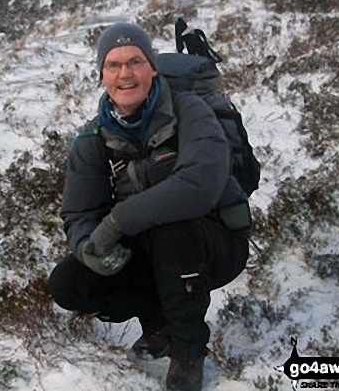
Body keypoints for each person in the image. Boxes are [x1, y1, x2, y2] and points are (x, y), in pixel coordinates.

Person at [46, 23, 250, 391]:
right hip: (152, 250)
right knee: (68, 283)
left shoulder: (191, 111)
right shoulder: (93, 139)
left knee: (173, 230)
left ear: (152, 67)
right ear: (102, 74)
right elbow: (78, 214)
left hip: (214, 243)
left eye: (135, 61)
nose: (125, 73)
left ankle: (188, 352)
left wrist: (118, 220)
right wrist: (88, 247)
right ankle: (158, 324)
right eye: (113, 65)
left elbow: (199, 186)